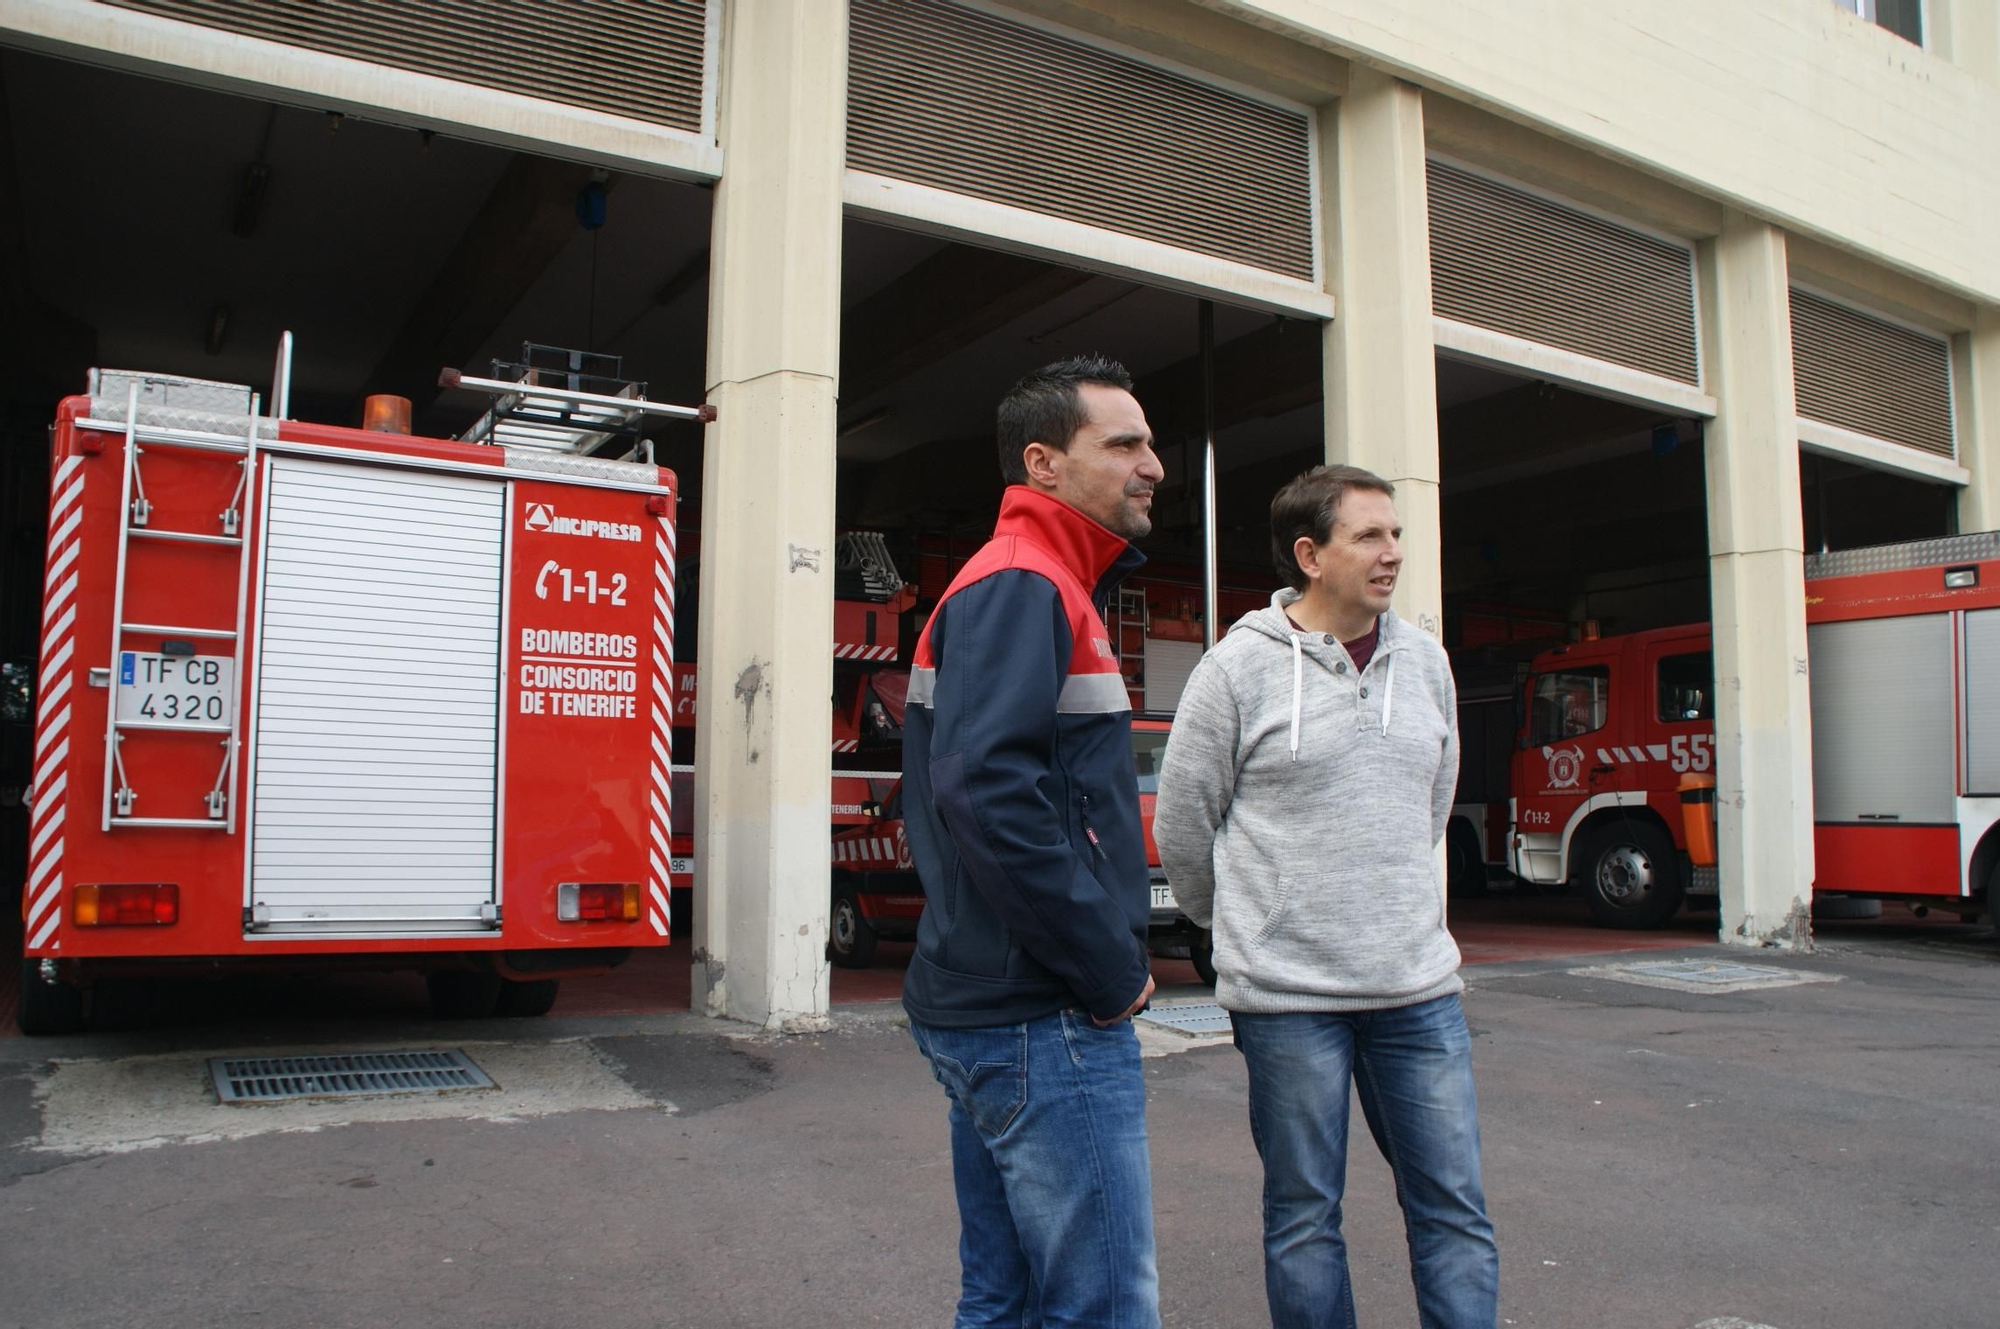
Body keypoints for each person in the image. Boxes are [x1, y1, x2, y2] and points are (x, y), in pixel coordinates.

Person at [1154, 463, 1499, 1329]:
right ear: (1310, 554)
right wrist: (1239, 927)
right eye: (1369, 536)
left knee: (1454, 1210)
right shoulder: (1236, 670)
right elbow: (1185, 826)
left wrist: (1380, 898)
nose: (1393, 555)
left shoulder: (1427, 663)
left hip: (1417, 992)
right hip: (1288, 999)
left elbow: (1430, 804)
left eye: (1397, 535)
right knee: (1305, 1220)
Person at [901, 355, 1165, 1328]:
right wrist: (1103, 969)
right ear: (1043, 463)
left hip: (1000, 1003)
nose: (1152, 467)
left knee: (1002, 1300)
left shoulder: (1029, 581)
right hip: (1043, 1014)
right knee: (1099, 1308)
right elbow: (985, 791)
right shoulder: (1025, 585)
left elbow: (961, 786)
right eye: (1124, 445)